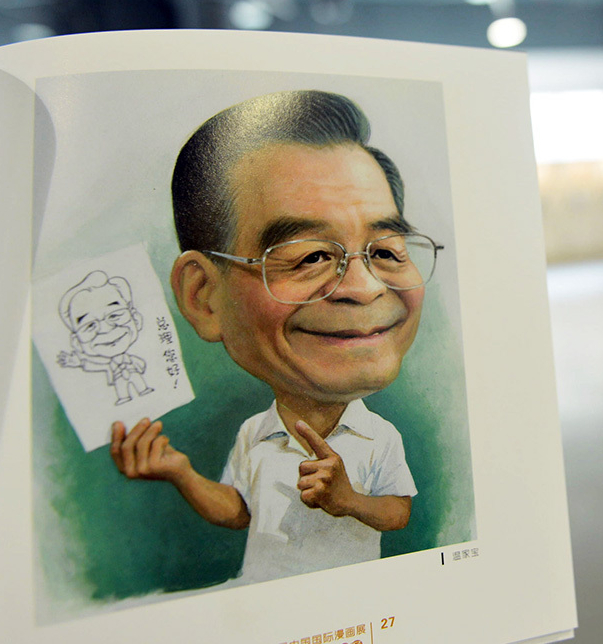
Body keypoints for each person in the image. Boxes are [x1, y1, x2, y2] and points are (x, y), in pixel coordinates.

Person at [109, 90, 441, 582]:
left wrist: (347, 500)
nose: (365, 288)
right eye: (311, 257)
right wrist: (179, 471)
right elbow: (240, 511)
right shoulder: (254, 433)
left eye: (387, 252)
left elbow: (397, 513)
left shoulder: (380, 437)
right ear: (204, 298)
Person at [57, 270, 154, 405]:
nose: (105, 329)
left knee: (138, 381)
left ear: (136, 318)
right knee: (121, 388)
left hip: (133, 372)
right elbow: (94, 365)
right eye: (90, 325)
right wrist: (79, 362)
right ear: (77, 343)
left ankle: (143, 390)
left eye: (114, 315)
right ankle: (124, 398)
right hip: (119, 377)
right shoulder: (107, 363)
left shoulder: (131, 359)